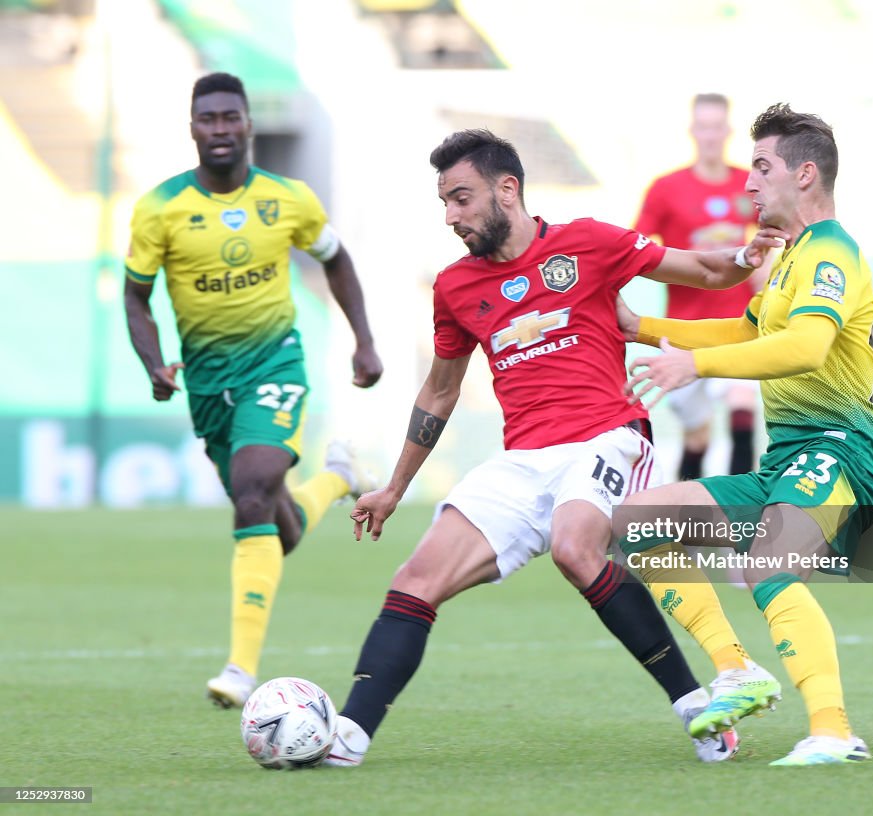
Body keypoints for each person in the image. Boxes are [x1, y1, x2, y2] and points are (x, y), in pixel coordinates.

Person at [322, 129, 784, 769]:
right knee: (415, 580)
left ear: (506, 189)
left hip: (607, 435)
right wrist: (395, 487)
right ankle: (348, 736)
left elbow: (703, 269)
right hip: (522, 461)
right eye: (445, 203)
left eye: (461, 198)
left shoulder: (588, 242)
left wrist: (748, 255)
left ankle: (697, 708)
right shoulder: (455, 287)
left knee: (575, 546)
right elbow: (439, 390)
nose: (450, 217)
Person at [618, 103, 873, 765]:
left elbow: (804, 346)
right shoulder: (792, 258)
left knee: (769, 560)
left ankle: (832, 732)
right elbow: (747, 333)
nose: (748, 183)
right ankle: (736, 668)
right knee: (639, 521)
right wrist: (644, 329)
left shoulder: (833, 255)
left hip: (840, 449)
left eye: (761, 168)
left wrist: (694, 364)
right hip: (788, 458)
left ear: (803, 175)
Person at [124, 72, 383, 708]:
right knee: (277, 525)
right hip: (208, 385)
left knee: (253, 490)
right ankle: (336, 479)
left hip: (275, 366)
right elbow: (136, 296)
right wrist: (155, 362)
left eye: (229, 117)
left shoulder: (288, 199)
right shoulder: (159, 208)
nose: (219, 128)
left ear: (248, 124)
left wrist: (365, 341)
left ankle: (240, 671)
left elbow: (337, 258)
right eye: (207, 118)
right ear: (193, 128)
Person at [634, 93, 768, 482]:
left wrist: (766, 268)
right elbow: (636, 248)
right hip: (685, 327)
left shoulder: (750, 184)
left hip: (738, 325)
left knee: (743, 404)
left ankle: (742, 510)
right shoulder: (666, 188)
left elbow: (776, 234)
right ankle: (688, 519)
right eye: (703, 126)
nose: (710, 135)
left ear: (728, 131)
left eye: (717, 126)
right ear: (693, 131)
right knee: (697, 435)